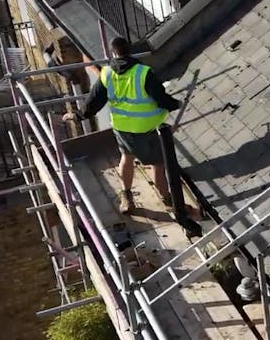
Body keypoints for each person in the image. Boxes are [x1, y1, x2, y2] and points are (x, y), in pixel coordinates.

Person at [63, 37, 195, 219]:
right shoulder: (143, 73)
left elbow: (94, 101)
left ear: (113, 53)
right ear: (129, 51)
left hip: (122, 128)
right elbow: (161, 98)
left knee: (127, 157)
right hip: (146, 127)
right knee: (157, 164)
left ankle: (126, 197)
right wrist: (175, 104)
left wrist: (77, 116)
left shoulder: (107, 74)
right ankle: (167, 199)